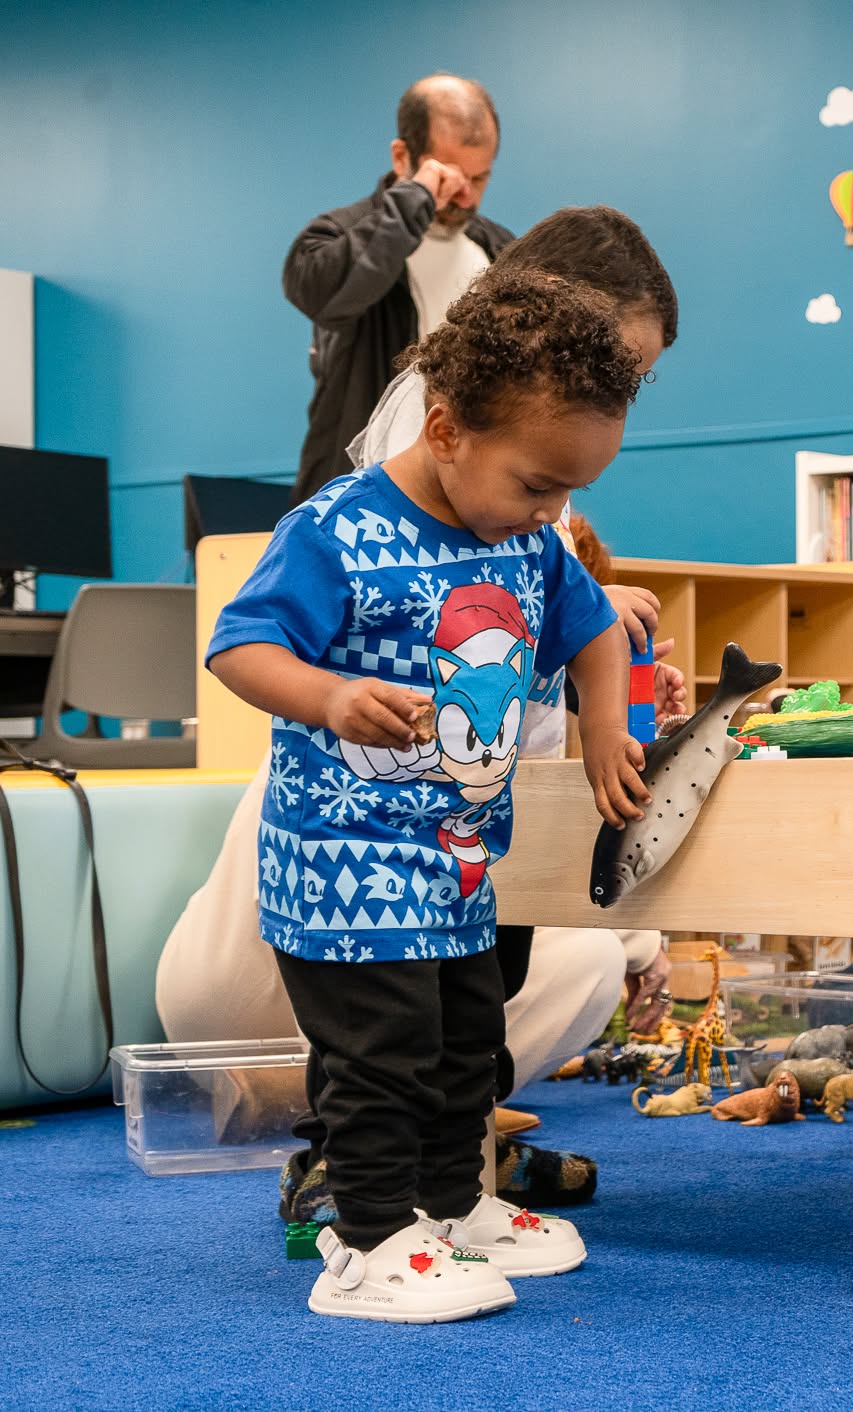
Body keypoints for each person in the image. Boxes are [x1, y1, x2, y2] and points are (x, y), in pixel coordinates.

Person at [160, 206, 685, 1213]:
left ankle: (453, 1203)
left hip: (459, 843)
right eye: (540, 485)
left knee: (459, 1036)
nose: (553, 511)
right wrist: (331, 692)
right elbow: (240, 642)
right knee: (385, 1047)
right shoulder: (357, 517)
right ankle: (367, 1226)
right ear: (448, 430)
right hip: (353, 848)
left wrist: (606, 717)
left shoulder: (521, 529)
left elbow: (579, 624)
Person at [286, 73, 515, 503]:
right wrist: (416, 199)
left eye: (479, 179)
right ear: (401, 157)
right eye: (450, 175)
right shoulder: (338, 235)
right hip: (360, 496)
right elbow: (317, 292)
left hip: (469, 496)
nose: (465, 196)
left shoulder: (503, 251)